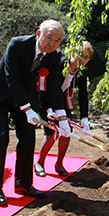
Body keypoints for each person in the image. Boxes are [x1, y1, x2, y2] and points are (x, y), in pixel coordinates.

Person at [0, 20, 70, 206]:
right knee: (1, 136)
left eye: (57, 40)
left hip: (24, 96)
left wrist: (62, 118)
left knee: (28, 135)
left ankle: (23, 184)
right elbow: (12, 78)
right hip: (0, 93)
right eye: (49, 38)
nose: (52, 44)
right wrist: (27, 109)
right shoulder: (17, 44)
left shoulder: (54, 56)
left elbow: (53, 87)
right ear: (38, 33)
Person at [35, 41, 93, 177]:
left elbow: (83, 95)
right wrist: (48, 108)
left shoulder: (83, 72)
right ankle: (40, 162)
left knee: (67, 133)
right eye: (80, 54)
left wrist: (84, 117)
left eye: (86, 57)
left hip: (63, 102)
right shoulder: (58, 63)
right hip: (46, 99)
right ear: (72, 52)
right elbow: (44, 87)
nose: (82, 59)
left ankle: (59, 163)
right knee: (50, 134)